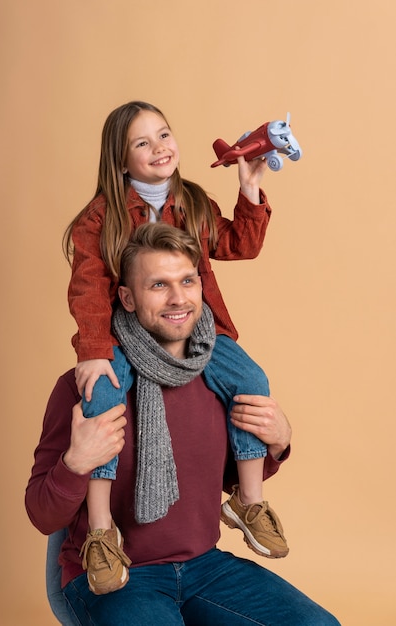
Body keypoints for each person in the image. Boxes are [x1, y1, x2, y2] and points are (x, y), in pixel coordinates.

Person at [25, 223, 340, 625]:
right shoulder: (88, 387)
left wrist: (277, 445)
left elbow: (211, 477)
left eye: (187, 281)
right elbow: (42, 515)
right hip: (115, 578)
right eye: (158, 285)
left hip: (204, 567)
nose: (178, 298)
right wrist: (76, 463)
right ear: (127, 297)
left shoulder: (220, 378)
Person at [62, 101, 286, 594]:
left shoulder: (194, 201)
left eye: (164, 135)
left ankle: (248, 499)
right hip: (129, 330)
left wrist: (249, 189)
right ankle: (101, 530)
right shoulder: (99, 218)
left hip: (198, 324)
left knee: (251, 380)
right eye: (142, 143)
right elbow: (87, 286)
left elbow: (239, 246)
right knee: (102, 396)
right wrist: (95, 350)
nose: (159, 148)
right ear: (121, 160)